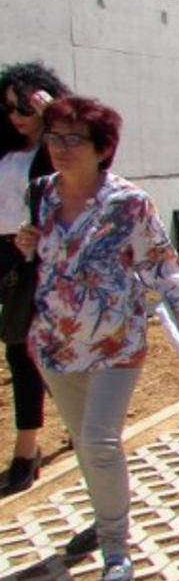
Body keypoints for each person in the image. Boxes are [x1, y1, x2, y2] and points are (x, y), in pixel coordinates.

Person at [15, 96, 179, 581]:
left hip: (116, 340)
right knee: (84, 441)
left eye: (73, 139)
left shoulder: (128, 203)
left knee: (100, 440)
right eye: (54, 137)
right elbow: (39, 252)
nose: (60, 148)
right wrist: (28, 243)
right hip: (55, 341)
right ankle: (103, 518)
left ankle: (116, 546)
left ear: (102, 149)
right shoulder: (40, 193)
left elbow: (158, 259)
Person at [0, 62, 66, 494]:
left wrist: (54, 115)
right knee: (32, 351)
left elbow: (99, 152)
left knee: (23, 349)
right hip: (4, 254)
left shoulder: (58, 147)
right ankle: (80, 419)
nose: (17, 116)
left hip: (38, 256)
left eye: (25, 107)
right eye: (9, 107)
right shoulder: (6, 149)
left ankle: (26, 451)